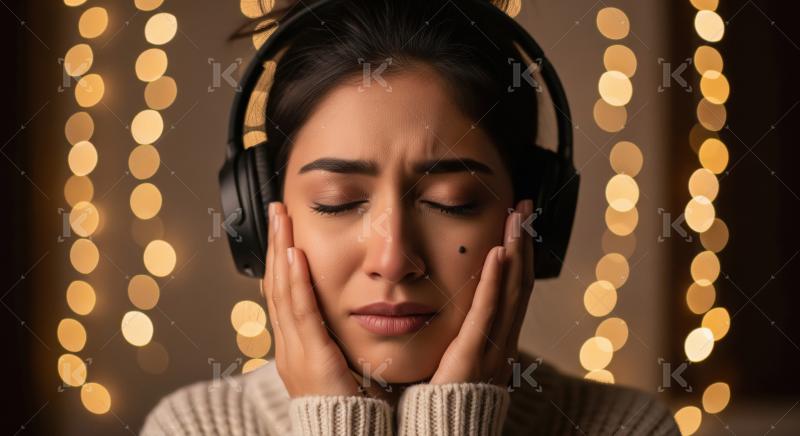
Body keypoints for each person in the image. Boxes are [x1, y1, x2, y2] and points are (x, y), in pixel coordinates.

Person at [141, 0, 679, 434]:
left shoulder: (626, 428)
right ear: (259, 223)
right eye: (336, 200)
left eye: (452, 201)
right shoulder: (196, 428)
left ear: (533, 215)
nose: (393, 258)